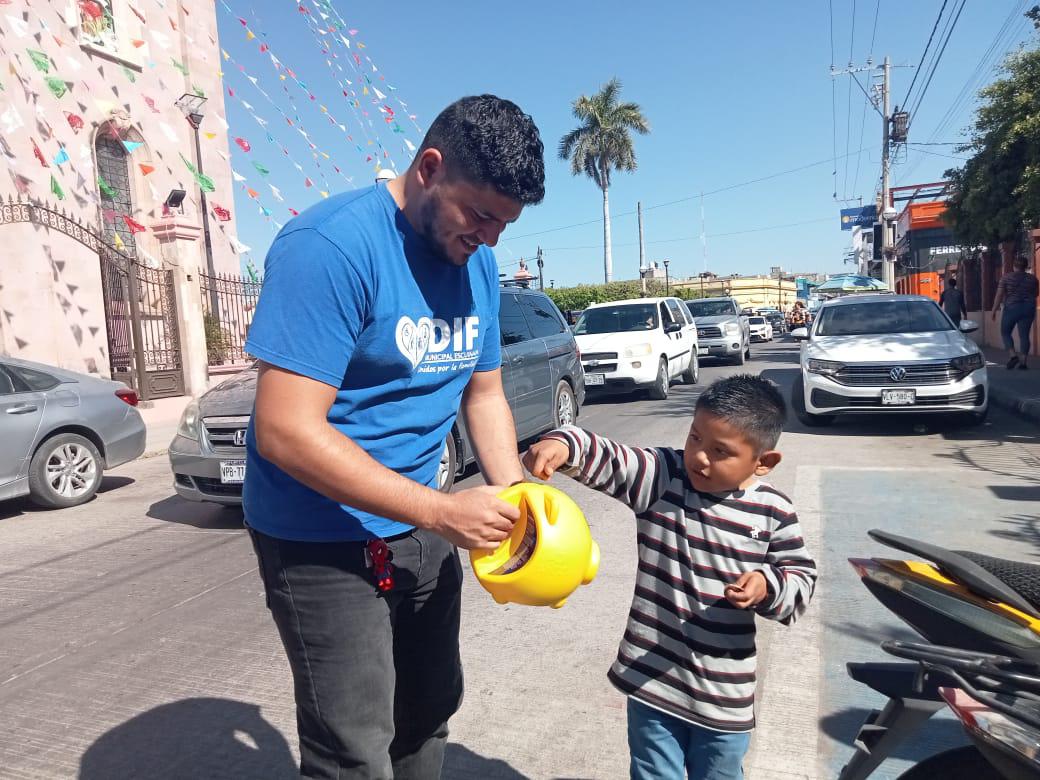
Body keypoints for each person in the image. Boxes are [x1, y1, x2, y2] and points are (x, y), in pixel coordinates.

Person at [241, 95, 545, 778]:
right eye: (482, 215)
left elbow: (485, 391)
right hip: (320, 536)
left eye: (506, 223)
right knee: (353, 748)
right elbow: (286, 430)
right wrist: (440, 509)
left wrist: (515, 495)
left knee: (428, 712)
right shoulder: (331, 247)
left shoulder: (480, 266)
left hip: (424, 522)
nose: (492, 239)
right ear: (430, 168)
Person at [523, 375, 817, 780]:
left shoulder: (774, 513)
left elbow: (801, 581)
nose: (699, 457)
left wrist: (767, 587)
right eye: (695, 438)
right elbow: (612, 456)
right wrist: (565, 444)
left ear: (763, 462)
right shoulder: (665, 478)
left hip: (722, 695)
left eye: (720, 452)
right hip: (652, 681)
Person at [992, 256, 1040, 370]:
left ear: (1014, 266)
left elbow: (999, 295)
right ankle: (1023, 363)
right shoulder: (1033, 279)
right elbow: (1036, 294)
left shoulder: (1006, 278)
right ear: (1025, 266)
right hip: (1028, 308)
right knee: (1024, 335)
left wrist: (994, 309)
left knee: (1005, 332)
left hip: (1012, 308)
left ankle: (1013, 355)